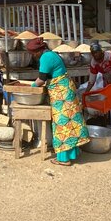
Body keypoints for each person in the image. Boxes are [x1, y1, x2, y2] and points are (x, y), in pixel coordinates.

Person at [27, 36, 89, 166]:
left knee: (62, 124)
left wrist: (30, 87)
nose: (32, 56)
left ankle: (63, 158)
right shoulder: (51, 54)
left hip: (62, 93)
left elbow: (41, 79)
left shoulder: (45, 57)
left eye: (32, 53)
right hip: (65, 89)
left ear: (38, 51)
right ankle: (72, 153)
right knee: (69, 123)